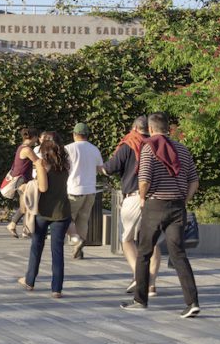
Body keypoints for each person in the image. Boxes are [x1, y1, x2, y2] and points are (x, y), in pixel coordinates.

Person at [121, 112, 201, 318]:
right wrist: (185, 199)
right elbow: (194, 180)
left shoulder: (149, 147)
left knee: (144, 252)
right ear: (169, 128)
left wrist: (142, 197)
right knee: (178, 253)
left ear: (151, 129)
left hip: (155, 205)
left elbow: (145, 177)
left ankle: (140, 299)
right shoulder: (182, 150)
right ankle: (192, 302)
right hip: (177, 206)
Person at [102, 116, 161, 296]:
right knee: (154, 242)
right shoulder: (157, 145)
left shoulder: (129, 144)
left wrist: (99, 168)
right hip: (156, 198)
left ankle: (139, 276)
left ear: (134, 128)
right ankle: (151, 284)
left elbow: (109, 168)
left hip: (134, 197)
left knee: (126, 240)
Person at [17, 135, 72, 298]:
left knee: (36, 246)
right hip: (62, 211)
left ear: (44, 152)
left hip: (44, 212)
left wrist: (27, 185)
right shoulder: (65, 165)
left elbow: (42, 188)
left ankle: (30, 280)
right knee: (57, 251)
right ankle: (57, 289)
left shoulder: (43, 165)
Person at [64, 123, 104, 259]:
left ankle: (76, 240)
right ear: (87, 135)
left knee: (65, 218)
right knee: (83, 220)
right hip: (90, 190)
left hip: (74, 189)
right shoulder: (95, 149)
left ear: (74, 134)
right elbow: (100, 168)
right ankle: (79, 251)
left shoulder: (68, 149)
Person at [6, 128, 39, 238]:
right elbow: (37, 161)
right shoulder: (27, 150)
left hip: (22, 179)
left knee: (25, 205)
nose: (37, 140)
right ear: (33, 137)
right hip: (23, 180)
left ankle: (18, 226)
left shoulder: (21, 148)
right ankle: (20, 227)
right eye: (36, 137)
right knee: (26, 205)